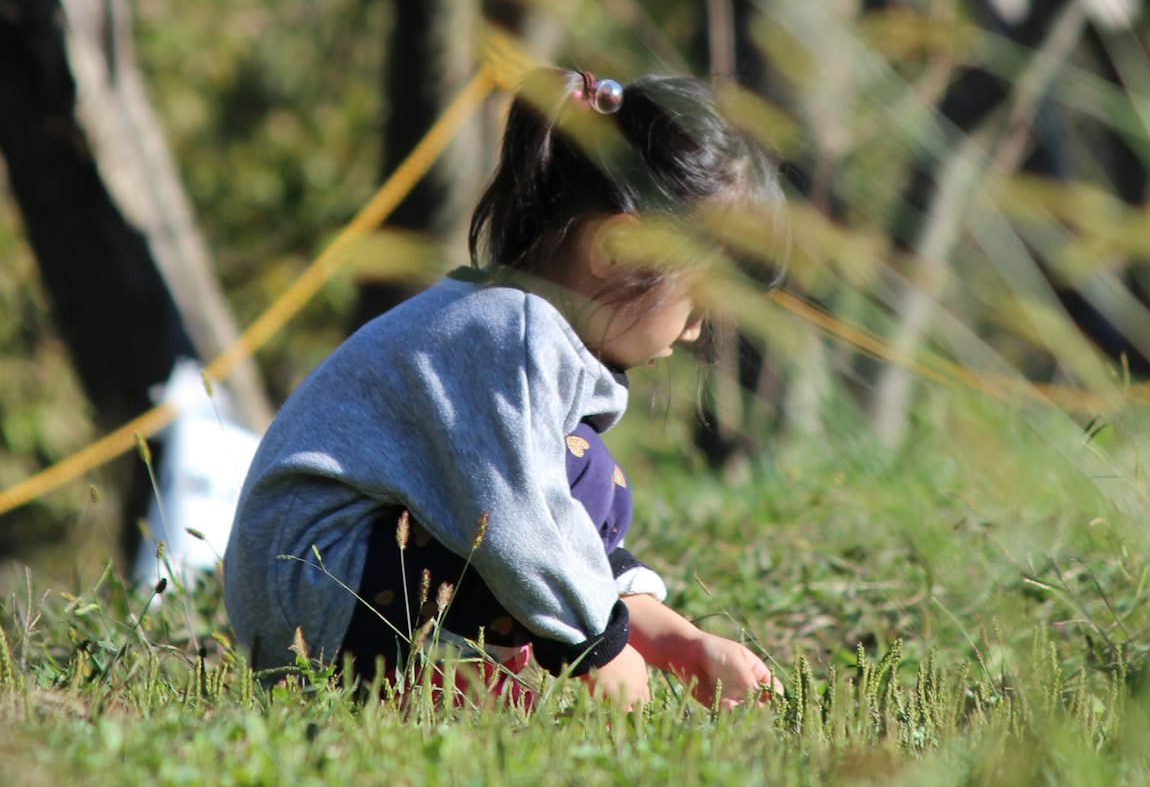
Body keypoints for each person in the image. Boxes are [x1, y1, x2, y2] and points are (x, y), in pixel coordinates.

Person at [223, 68, 785, 710]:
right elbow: (515, 523)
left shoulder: (517, 331)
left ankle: (464, 693)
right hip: (324, 587)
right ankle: (442, 691)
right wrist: (595, 645)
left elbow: (561, 526)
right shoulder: (507, 337)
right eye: (700, 301)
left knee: (583, 473)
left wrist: (680, 643)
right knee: (563, 490)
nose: (693, 331)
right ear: (620, 246)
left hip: (340, 583)